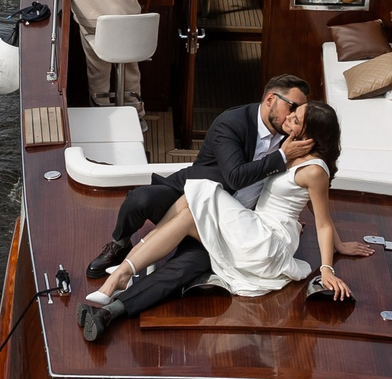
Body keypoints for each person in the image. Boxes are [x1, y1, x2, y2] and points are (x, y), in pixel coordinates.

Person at [77, 101, 356, 342]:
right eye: (292, 112)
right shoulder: (288, 146)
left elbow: (322, 220)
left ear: (311, 134)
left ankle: (121, 280)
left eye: (296, 119)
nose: (289, 117)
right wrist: (339, 243)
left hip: (266, 241)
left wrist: (327, 268)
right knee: (187, 207)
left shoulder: (314, 171)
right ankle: (121, 277)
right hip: (250, 226)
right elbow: (308, 205)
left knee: (201, 194)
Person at [82, 75, 314, 280]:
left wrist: (295, 221)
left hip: (232, 217)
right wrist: (282, 156)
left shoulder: (293, 136)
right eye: (292, 107)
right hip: (191, 192)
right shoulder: (233, 122)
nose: (294, 116)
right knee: (139, 199)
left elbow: (310, 180)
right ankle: (120, 243)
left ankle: (136, 282)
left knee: (187, 266)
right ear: (271, 99)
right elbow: (235, 177)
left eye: (300, 111)